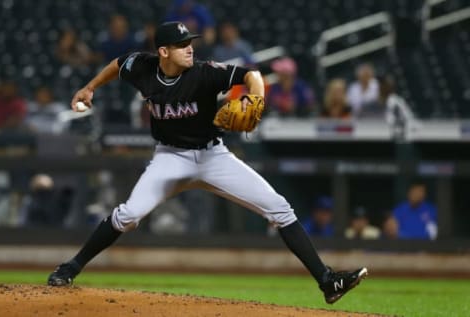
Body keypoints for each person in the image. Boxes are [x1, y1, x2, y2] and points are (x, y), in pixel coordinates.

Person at [46, 21, 367, 304]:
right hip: (170, 158)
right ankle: (70, 267)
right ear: (163, 52)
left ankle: (327, 282)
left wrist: (255, 97)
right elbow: (117, 64)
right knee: (129, 215)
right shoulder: (141, 66)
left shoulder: (204, 72)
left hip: (213, 156)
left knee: (280, 208)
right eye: (182, 45)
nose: (189, 49)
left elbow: (252, 74)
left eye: (190, 43)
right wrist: (89, 88)